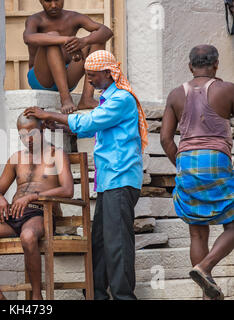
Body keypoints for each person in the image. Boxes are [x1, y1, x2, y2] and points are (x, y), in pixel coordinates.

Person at [24, 50, 149, 300]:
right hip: (108, 181)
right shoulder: (109, 99)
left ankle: (124, 296)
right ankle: (97, 294)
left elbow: (89, 122)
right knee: (100, 245)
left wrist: (50, 115)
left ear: (108, 73)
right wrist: (59, 123)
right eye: (87, 75)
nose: (89, 81)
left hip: (120, 179)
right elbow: (92, 126)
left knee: (118, 246)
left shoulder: (121, 99)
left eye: (92, 75)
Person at [0, 112, 74, 300]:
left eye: (31, 133)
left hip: (40, 213)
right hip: (13, 215)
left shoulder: (56, 154)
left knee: (28, 237)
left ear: (42, 129)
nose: (27, 139)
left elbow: (68, 190)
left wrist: (32, 197)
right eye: (22, 136)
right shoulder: (16, 158)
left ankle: (36, 297)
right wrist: (0, 199)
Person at [160, 45, 234, 300]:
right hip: (217, 160)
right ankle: (205, 267)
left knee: (197, 231)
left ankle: (206, 294)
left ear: (190, 66)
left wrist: (181, 165)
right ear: (216, 65)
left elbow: (166, 139)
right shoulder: (227, 89)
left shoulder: (175, 94)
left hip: (186, 162)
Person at [23, 0, 113, 114]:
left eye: (57, 0)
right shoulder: (35, 20)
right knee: (52, 37)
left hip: (66, 77)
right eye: (48, 1)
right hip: (41, 79)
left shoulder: (73, 17)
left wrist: (84, 41)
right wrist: (65, 39)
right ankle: (65, 98)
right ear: (40, 1)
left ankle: (87, 98)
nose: (53, 5)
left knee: (97, 39)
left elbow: (107, 31)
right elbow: (28, 38)